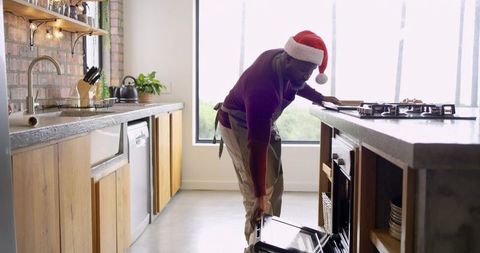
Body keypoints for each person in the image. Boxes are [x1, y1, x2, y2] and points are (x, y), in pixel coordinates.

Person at [214, 30, 341, 251]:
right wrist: (260, 195)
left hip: (260, 121)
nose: (307, 76)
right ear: (288, 59)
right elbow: (257, 145)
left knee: (275, 187)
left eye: (311, 71)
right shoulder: (263, 88)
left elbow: (297, 84)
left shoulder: (285, 63)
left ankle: (270, 242)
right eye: (303, 70)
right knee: (257, 198)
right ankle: (255, 247)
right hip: (238, 125)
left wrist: (320, 98)